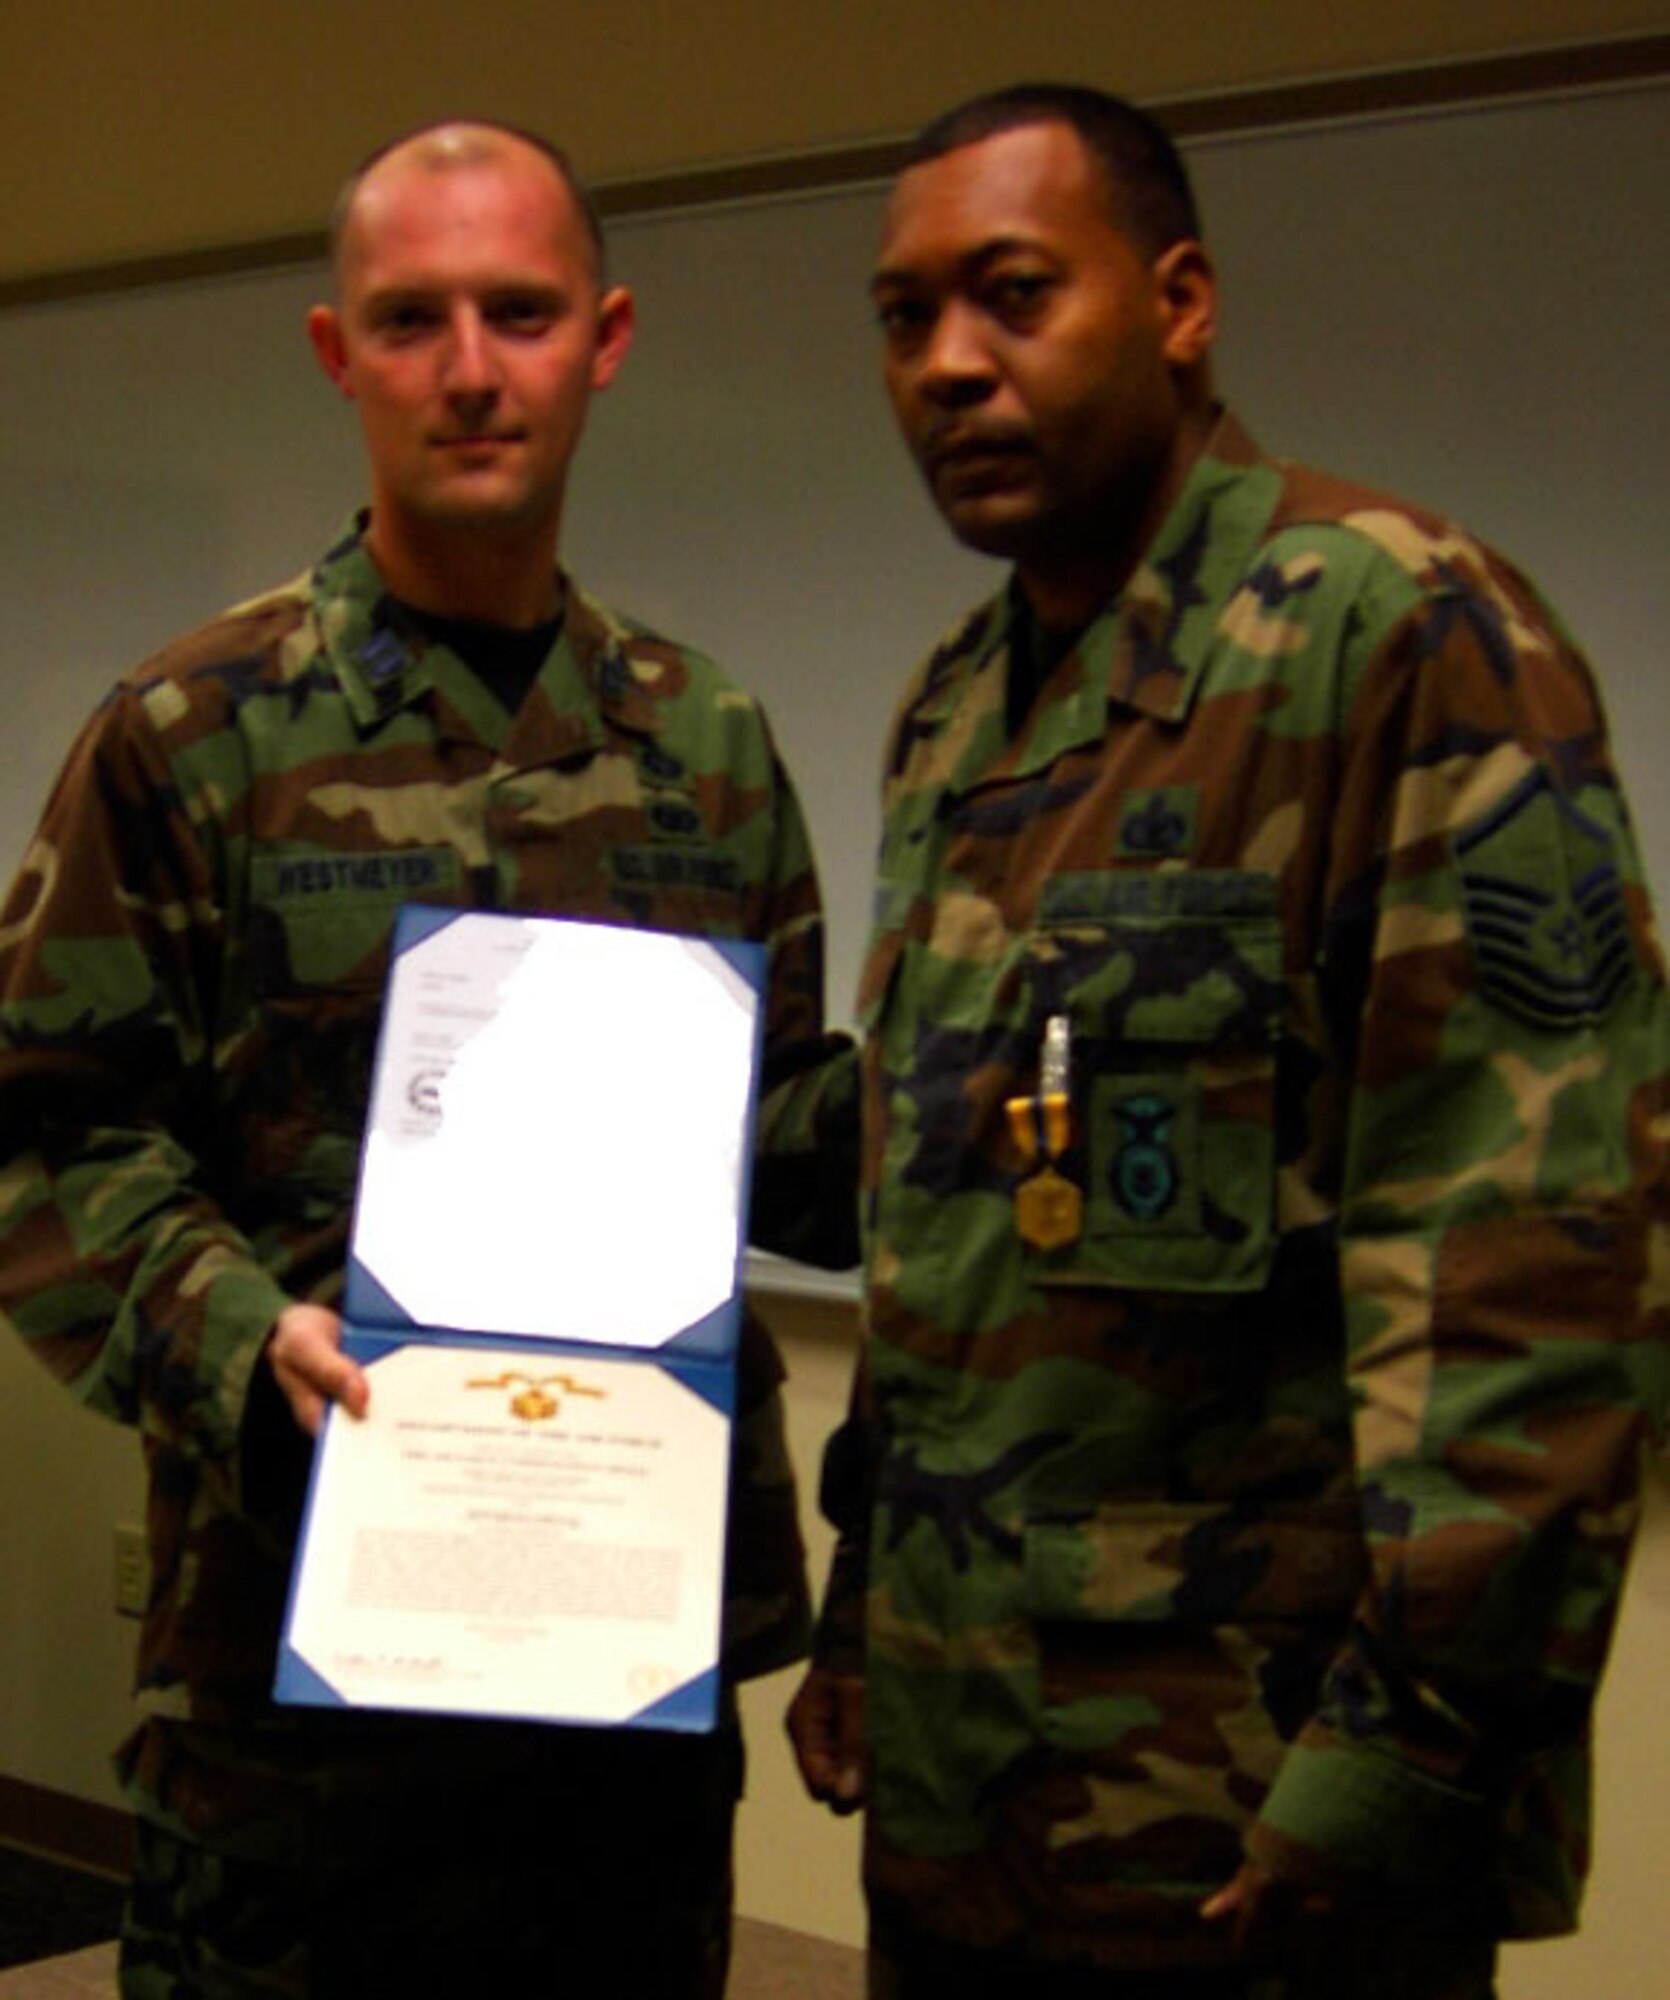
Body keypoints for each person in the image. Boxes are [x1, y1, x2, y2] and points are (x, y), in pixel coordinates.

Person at [788, 82, 1670, 1999]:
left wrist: (1399, 1767)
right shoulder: (956, 706)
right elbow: (955, 1242)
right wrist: (866, 1612)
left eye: (1014, 293)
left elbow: (1530, 1267)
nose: (948, 364)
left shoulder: (1397, 632)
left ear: (1177, 303)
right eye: (903, 316)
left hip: (1251, 1811)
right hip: (968, 1768)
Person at [0, 120, 854, 1998]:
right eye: (412, 320)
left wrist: (975, 1061)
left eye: (521, 313)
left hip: (619, 1682)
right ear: (339, 353)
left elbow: (777, 1131)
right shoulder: (192, 733)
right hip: (294, 1693)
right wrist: (239, 1335)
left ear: (603, 339)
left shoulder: (703, 740)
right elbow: (51, 1133)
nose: (471, 368)